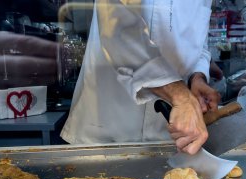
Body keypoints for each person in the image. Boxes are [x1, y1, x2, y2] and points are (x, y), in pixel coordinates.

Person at [60, 0, 220, 155]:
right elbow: (118, 27)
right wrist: (181, 96)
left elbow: (198, 41)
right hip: (106, 130)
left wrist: (197, 76)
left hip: (170, 137)